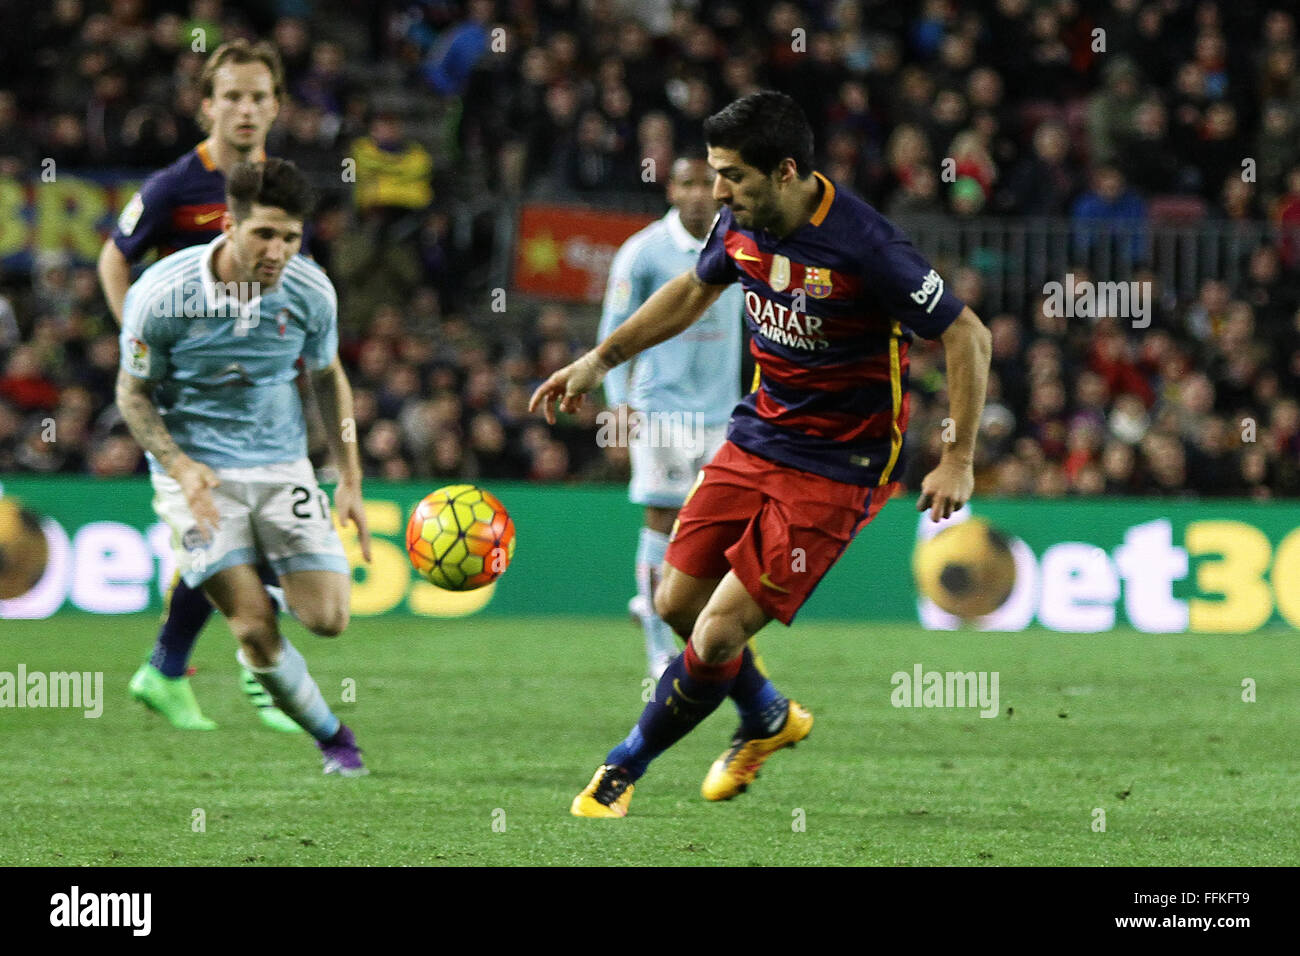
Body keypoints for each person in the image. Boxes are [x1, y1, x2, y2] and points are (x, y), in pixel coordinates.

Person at [530, 91, 991, 817]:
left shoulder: (865, 244)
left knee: (716, 633)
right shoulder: (740, 222)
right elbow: (693, 290)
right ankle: (768, 715)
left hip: (841, 465)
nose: (717, 190)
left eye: (731, 175)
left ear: (785, 171)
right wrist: (599, 360)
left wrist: (957, 457)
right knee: (675, 603)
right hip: (756, 437)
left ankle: (622, 769)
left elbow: (967, 334)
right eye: (713, 173)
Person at [115, 158, 372, 776]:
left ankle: (252, 559)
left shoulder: (310, 292)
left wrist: (350, 478)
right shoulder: (164, 295)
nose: (279, 250)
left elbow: (328, 375)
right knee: (254, 626)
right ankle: (337, 739)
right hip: (197, 477)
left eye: (290, 236)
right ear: (228, 225)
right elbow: (132, 393)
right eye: (264, 234)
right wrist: (178, 467)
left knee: (329, 619)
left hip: (282, 466)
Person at [98, 39, 313, 733]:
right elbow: (113, 256)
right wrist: (133, 337)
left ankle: (174, 669)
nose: (246, 109)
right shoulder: (175, 186)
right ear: (207, 106)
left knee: (238, 525)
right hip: (187, 393)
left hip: (253, 385)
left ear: (276, 106)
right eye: (232, 97)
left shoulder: (276, 186)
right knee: (226, 524)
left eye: (259, 97)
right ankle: (246, 671)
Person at [598, 150, 743, 678]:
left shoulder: (740, 244)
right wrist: (619, 406)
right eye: (689, 183)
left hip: (724, 413)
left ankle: (658, 602)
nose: (700, 193)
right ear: (671, 191)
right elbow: (612, 334)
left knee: (722, 529)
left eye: (709, 182)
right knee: (661, 519)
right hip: (662, 412)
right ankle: (660, 653)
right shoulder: (643, 253)